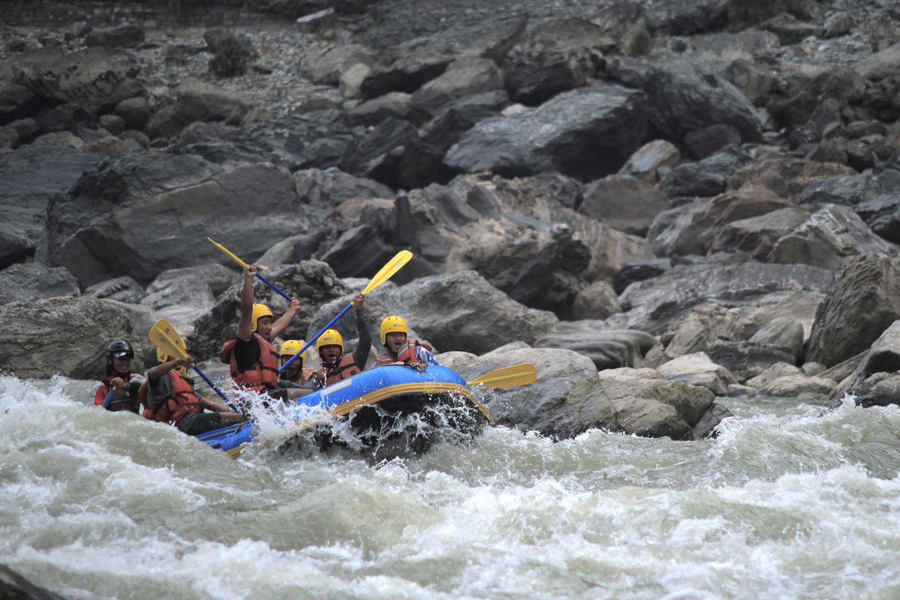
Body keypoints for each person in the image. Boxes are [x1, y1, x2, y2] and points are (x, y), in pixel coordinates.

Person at [219, 265, 306, 402]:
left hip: (267, 395)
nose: (270, 327)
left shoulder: (261, 341)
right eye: (265, 323)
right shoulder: (244, 343)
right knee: (307, 394)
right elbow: (246, 311)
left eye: (270, 323)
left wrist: (292, 310)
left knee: (304, 390)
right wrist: (248, 279)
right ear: (253, 324)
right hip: (256, 401)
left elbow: (278, 326)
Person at [140, 348, 245, 436]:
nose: (183, 355)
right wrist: (177, 362)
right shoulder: (160, 377)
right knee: (238, 418)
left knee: (235, 417)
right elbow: (153, 374)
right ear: (165, 356)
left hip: (192, 423)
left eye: (184, 352)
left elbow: (208, 403)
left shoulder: (183, 381)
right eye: (177, 353)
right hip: (179, 425)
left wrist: (229, 410)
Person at [313, 294, 371, 388]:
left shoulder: (356, 360)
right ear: (321, 352)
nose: (331, 350)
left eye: (335, 347)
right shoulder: (319, 377)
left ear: (340, 349)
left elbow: (366, 340)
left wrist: (359, 310)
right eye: (327, 347)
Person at [92, 340, 145, 413]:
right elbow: (91, 415)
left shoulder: (135, 378)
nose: (125, 363)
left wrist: (125, 386)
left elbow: (145, 389)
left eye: (128, 359)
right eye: (120, 359)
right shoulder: (101, 388)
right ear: (110, 360)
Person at [373, 316, 438, 369]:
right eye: (393, 335)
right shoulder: (378, 364)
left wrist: (407, 366)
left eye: (401, 335)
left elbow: (437, 371)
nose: (398, 338)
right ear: (384, 338)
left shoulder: (420, 352)